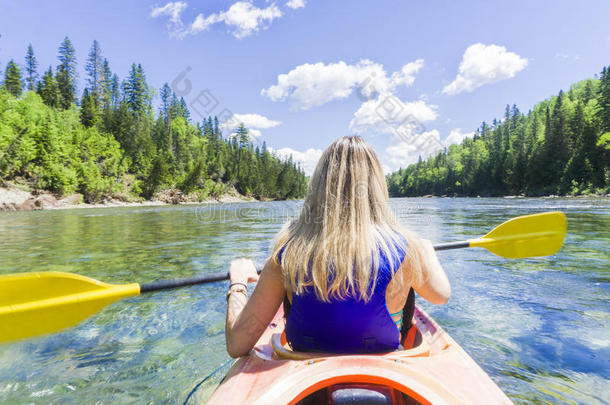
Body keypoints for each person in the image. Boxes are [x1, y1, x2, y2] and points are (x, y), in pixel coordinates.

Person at [225, 136, 450, 357]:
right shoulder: (409, 249)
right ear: (377, 187)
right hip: (385, 367)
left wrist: (238, 283)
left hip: (306, 372)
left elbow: (237, 344)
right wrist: (426, 251)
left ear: (318, 186)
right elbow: (441, 295)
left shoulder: (289, 251)